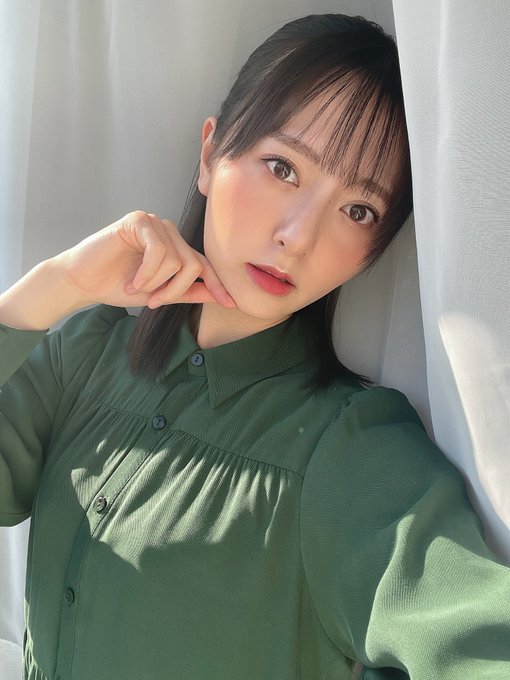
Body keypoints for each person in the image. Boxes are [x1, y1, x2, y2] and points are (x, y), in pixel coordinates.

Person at [0, 12, 509, 680]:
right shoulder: (85, 354)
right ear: (210, 154)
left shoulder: (350, 452)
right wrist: (53, 288)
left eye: (357, 210)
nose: (298, 235)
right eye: (282, 167)